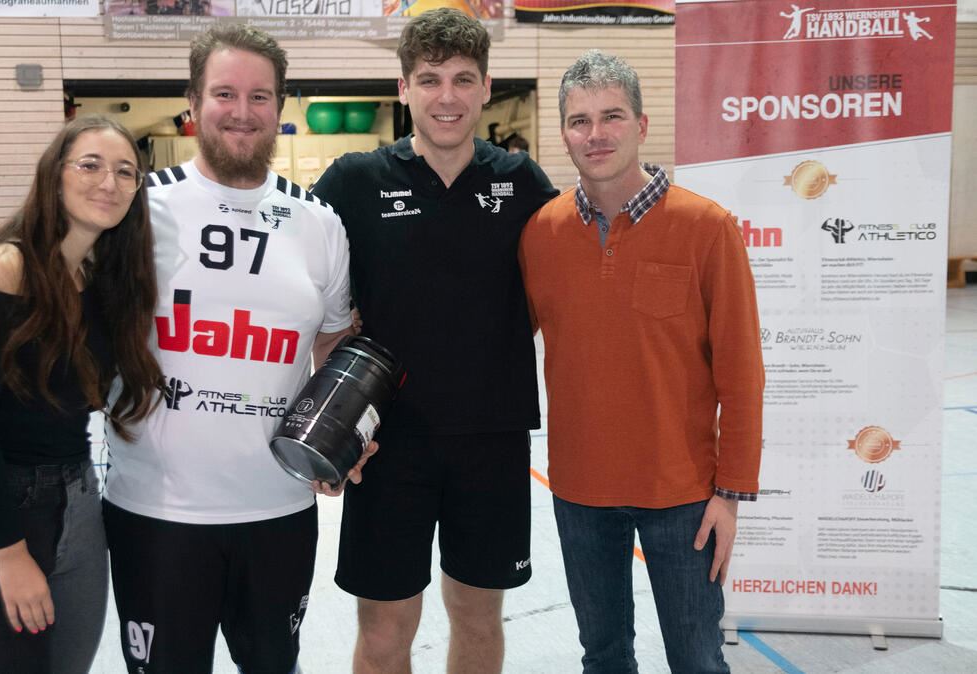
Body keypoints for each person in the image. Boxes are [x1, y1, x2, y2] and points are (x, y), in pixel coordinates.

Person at [100, 24, 367, 674]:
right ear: (192, 101)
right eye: (225, 93)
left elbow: (335, 341)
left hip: (278, 509)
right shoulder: (136, 208)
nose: (242, 112)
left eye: (259, 96)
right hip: (157, 515)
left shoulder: (320, 224)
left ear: (280, 106)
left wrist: (345, 430)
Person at [311, 9, 558, 673]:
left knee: (478, 620)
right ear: (403, 88)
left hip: (492, 441)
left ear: (485, 88)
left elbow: (548, 298)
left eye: (462, 79)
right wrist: (331, 428)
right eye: (429, 80)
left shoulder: (524, 184)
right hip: (388, 444)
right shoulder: (352, 183)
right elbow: (308, 304)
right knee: (386, 632)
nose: (446, 96)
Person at [518, 50, 764, 673]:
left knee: (697, 660)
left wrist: (730, 493)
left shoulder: (707, 227)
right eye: (579, 121)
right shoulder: (540, 234)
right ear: (564, 132)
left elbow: (741, 370)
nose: (595, 134)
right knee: (602, 658)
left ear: (642, 125)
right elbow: (496, 346)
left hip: (681, 494)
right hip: (578, 490)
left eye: (612, 116)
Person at [0, 115, 162, 673]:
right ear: (55, 176)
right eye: (91, 165)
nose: (109, 182)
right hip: (1, 511)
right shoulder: (2, 268)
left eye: (126, 172)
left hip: (79, 500)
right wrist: (10, 554)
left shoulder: (97, 282)